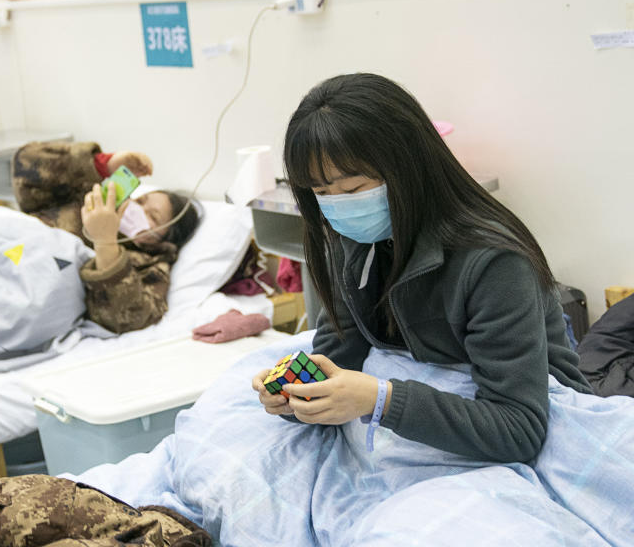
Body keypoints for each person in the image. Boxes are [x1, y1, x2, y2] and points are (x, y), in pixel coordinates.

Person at [252, 72, 591, 463]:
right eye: (322, 193)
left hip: (509, 433)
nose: (337, 206)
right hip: (412, 426)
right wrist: (298, 396)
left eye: (352, 189)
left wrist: (380, 400)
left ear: (407, 167)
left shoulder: (494, 261)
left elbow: (518, 428)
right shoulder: (352, 242)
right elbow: (339, 358)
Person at [12, 141, 200, 333]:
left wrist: (105, 242)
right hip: (9, 243)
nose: (138, 209)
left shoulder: (151, 267)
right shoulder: (89, 200)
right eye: (140, 201)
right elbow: (25, 166)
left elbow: (128, 316)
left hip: (25, 292)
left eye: (153, 216)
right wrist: (102, 165)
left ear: (164, 241)